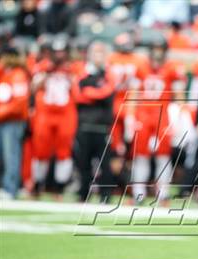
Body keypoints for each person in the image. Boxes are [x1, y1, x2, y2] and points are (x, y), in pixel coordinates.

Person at [129, 36, 186, 204]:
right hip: (143, 114)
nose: (157, 53)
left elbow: (179, 95)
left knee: (163, 155)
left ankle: (163, 193)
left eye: (160, 49)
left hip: (163, 115)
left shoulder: (171, 68)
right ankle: (138, 193)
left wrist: (181, 116)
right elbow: (133, 92)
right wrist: (131, 115)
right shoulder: (141, 67)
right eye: (155, 49)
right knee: (140, 155)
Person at [31, 35, 76, 195]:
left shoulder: (73, 67)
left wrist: (71, 78)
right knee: (41, 150)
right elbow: (33, 87)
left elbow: (78, 90)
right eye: (56, 52)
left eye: (62, 52)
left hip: (65, 113)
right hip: (46, 111)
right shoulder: (43, 66)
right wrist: (44, 74)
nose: (59, 55)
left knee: (64, 150)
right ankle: (37, 183)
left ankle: (60, 186)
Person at [73, 40, 115, 202]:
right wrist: (96, 93)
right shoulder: (82, 72)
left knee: (105, 163)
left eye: (101, 52)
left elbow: (108, 92)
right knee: (83, 162)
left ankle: (106, 196)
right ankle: (84, 193)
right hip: (84, 125)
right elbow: (77, 95)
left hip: (102, 126)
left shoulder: (108, 73)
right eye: (96, 52)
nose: (98, 56)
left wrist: (90, 93)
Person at [0, 46, 30, 199]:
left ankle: (10, 188)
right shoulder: (4, 73)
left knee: (11, 155)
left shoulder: (18, 75)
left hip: (12, 122)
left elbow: (18, 104)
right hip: (3, 120)